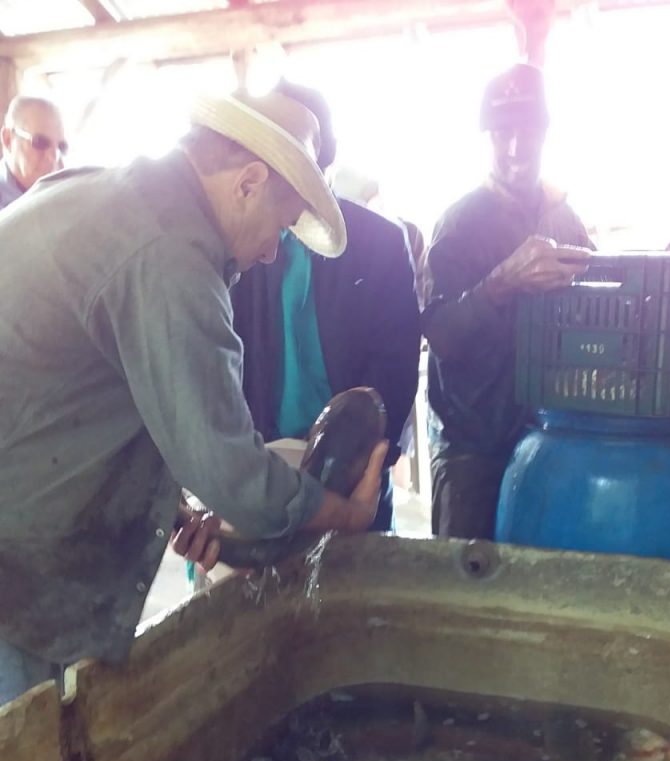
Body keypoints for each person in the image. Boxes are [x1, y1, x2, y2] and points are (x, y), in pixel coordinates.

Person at [0, 91, 388, 705]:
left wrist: (167, 508)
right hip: (13, 567)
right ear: (248, 183)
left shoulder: (110, 194)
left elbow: (80, 390)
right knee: (25, 753)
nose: (272, 252)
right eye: (281, 225)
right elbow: (230, 471)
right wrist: (348, 514)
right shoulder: (171, 256)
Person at [231, 80, 421, 531]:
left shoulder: (379, 242)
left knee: (355, 572)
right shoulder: (236, 239)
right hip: (257, 467)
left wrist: (361, 466)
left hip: (350, 470)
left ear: (325, 162)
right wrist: (229, 465)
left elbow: (394, 368)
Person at [423, 64, 592, 540]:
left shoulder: (566, 219)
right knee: (464, 579)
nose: (517, 147)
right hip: (472, 455)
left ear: (546, 133)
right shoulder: (458, 225)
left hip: (550, 442)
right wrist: (501, 282)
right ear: (488, 138)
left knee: (545, 574)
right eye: (503, 133)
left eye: (529, 131)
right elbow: (441, 334)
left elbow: (597, 310)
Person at [0, 95, 68, 210]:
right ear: (8, 140)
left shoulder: (68, 196)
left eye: (62, 147)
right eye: (40, 142)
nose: (53, 157)